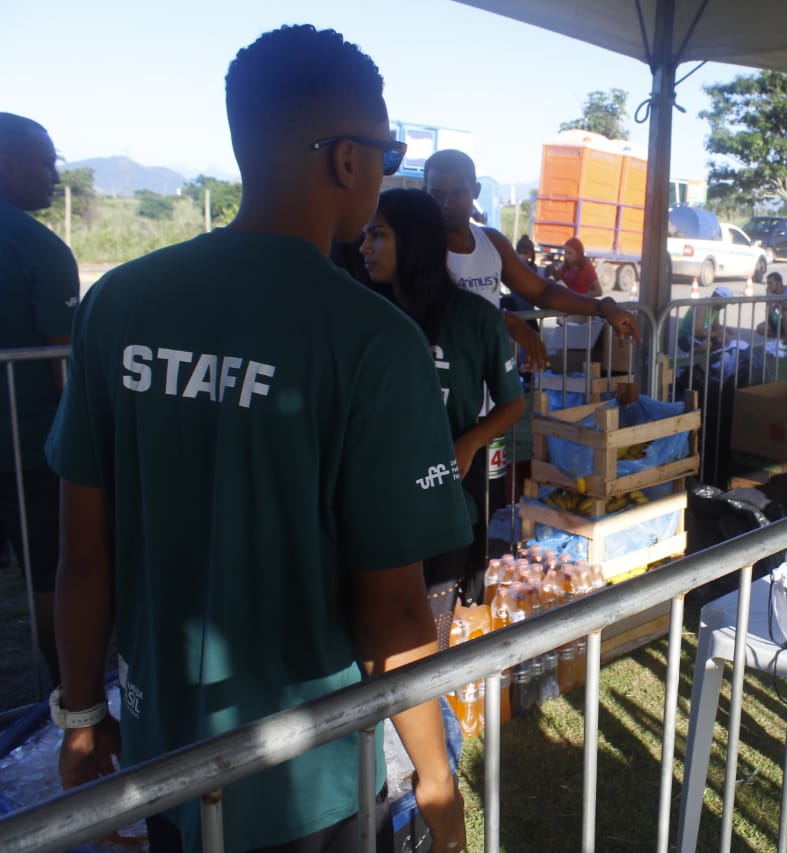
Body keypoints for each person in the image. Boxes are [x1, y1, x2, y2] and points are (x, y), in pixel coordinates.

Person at [46, 25, 470, 853]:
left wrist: (83, 714)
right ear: (347, 160)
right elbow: (390, 611)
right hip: (303, 780)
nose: (387, 173)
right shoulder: (373, 341)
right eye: (389, 150)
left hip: (166, 748)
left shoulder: (120, 303)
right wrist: (437, 776)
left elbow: (83, 553)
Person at [359, 188, 525, 643]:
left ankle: (427, 702)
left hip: (450, 501)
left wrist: (469, 443)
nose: (364, 247)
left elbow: (514, 403)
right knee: (383, 635)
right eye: (365, 234)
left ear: (413, 240)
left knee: (432, 632)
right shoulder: (363, 314)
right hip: (379, 504)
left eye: (378, 234)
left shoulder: (475, 318)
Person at [423, 149, 641, 371]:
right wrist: (504, 321)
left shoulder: (492, 242)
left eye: (458, 193)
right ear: (425, 193)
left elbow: (542, 292)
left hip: (483, 374)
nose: (447, 204)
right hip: (436, 377)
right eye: (437, 195)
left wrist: (603, 307)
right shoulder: (416, 246)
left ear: (475, 191)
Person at [0, 112, 79, 690]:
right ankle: (66, 695)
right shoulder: (40, 249)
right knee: (53, 575)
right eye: (45, 161)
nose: (55, 174)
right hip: (31, 453)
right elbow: (63, 369)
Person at [677, 285, 733, 353]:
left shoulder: (716, 309)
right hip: (686, 337)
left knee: (724, 337)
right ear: (719, 299)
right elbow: (696, 332)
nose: (724, 307)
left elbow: (716, 327)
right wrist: (717, 334)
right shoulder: (702, 306)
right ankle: (690, 355)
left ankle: (710, 359)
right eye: (725, 304)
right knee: (707, 344)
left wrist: (726, 329)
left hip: (698, 336)